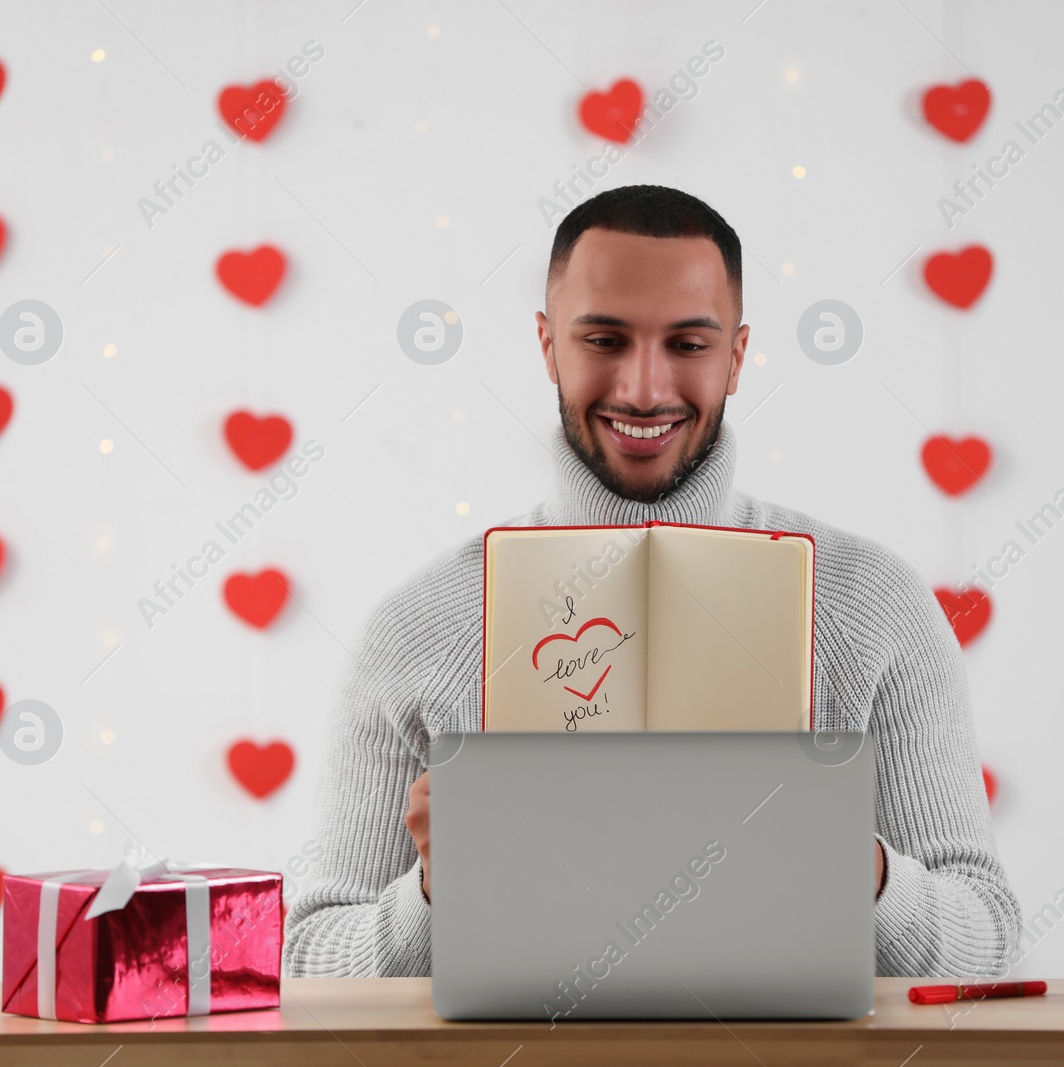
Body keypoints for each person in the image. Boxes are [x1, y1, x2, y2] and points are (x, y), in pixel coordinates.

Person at [283, 184, 1019, 978]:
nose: (643, 389)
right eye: (603, 339)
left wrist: (857, 862)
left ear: (737, 356)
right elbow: (312, 959)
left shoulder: (876, 605)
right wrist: (433, 891)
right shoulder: (417, 626)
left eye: (689, 345)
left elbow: (990, 946)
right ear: (546, 345)